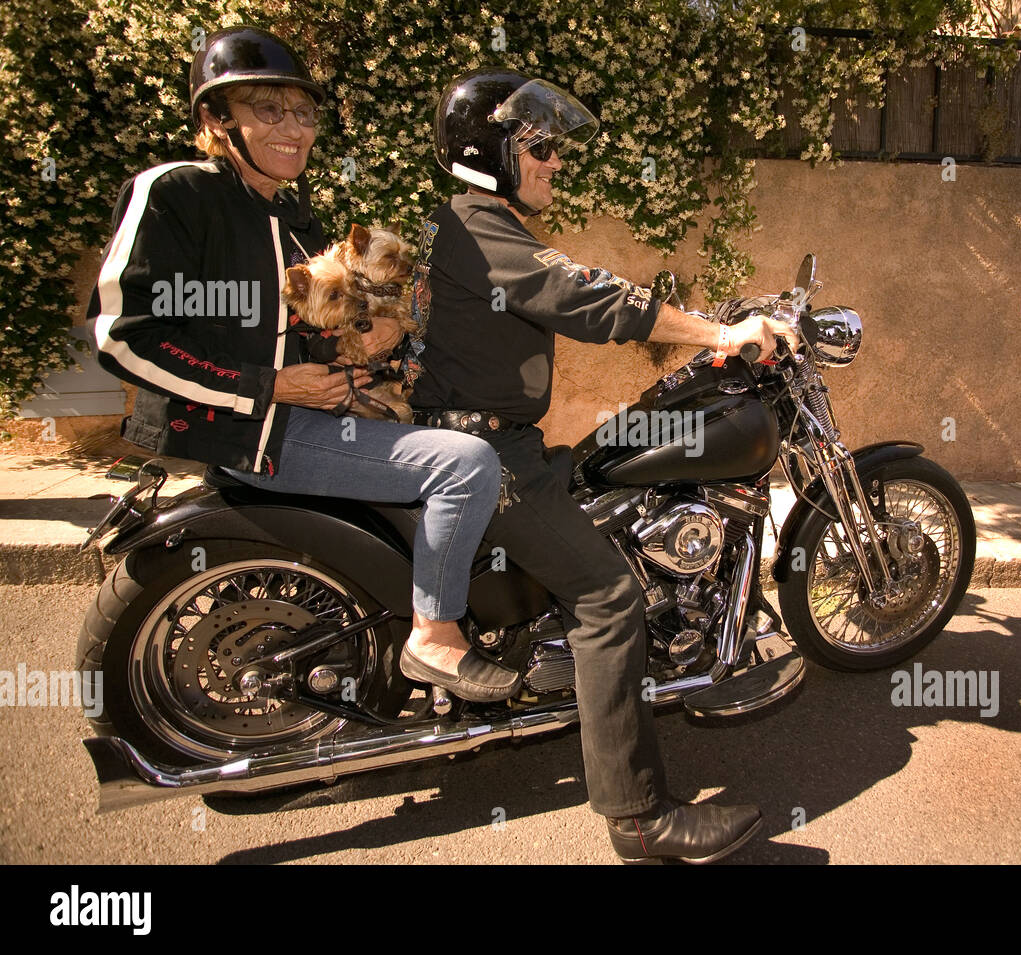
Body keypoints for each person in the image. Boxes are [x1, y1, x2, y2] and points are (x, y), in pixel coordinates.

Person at [414, 69, 798, 863]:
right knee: (609, 593)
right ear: (492, 151)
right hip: (486, 452)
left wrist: (700, 319)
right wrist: (720, 336)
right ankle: (639, 816)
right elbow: (581, 292)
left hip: (494, 438)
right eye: (540, 146)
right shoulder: (480, 227)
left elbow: (574, 286)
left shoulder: (475, 223)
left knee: (596, 493)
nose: (556, 161)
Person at [89, 26, 510, 705]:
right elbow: (123, 335)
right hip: (244, 431)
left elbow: (307, 331)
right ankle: (434, 634)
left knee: (469, 428)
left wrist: (366, 347)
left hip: (303, 413)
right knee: (463, 464)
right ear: (215, 119)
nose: (293, 129)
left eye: (303, 114)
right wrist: (267, 387)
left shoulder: (294, 214)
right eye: (268, 110)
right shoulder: (176, 193)